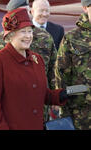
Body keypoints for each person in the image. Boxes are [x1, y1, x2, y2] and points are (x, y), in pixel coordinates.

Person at [0, 8, 70, 130]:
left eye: (30, 31)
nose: (28, 36)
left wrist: (59, 95)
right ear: (11, 35)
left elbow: (41, 93)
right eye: (23, 32)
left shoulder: (37, 59)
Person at [0, 0, 56, 89]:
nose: (27, 16)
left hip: (41, 97)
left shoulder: (45, 37)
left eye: (28, 12)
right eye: (22, 13)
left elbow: (54, 70)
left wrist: (55, 97)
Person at [54, 0, 90, 130]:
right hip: (81, 114)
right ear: (85, 8)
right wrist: (63, 110)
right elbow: (61, 74)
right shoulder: (72, 38)